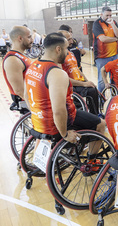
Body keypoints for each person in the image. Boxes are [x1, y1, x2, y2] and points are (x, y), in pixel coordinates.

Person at [24, 32, 106, 165]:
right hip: (56, 125)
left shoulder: (32, 67)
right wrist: (65, 134)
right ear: (58, 49)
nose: (68, 52)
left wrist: (39, 114)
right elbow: (59, 110)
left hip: (38, 122)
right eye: (66, 48)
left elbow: (26, 95)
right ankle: (91, 163)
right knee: (101, 124)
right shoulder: (56, 73)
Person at [59, 30, 100, 115]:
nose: (72, 41)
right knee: (92, 91)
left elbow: (78, 70)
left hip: (79, 83)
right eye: (69, 39)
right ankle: (94, 116)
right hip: (71, 86)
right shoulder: (60, 57)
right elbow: (63, 79)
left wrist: (87, 81)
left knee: (93, 88)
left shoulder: (70, 53)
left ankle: (95, 114)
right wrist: (84, 84)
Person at [2, 26, 33, 112]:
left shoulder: (21, 56)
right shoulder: (12, 60)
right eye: (29, 37)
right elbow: (19, 90)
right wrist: (35, 108)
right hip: (26, 102)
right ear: (20, 38)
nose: (32, 40)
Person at [93, 6, 118, 92]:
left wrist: (112, 24)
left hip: (114, 56)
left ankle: (114, 97)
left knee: (114, 79)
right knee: (102, 81)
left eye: (110, 15)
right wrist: (116, 39)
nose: (109, 17)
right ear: (101, 14)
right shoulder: (97, 23)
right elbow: (103, 39)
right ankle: (101, 100)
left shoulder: (114, 22)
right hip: (102, 57)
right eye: (107, 15)